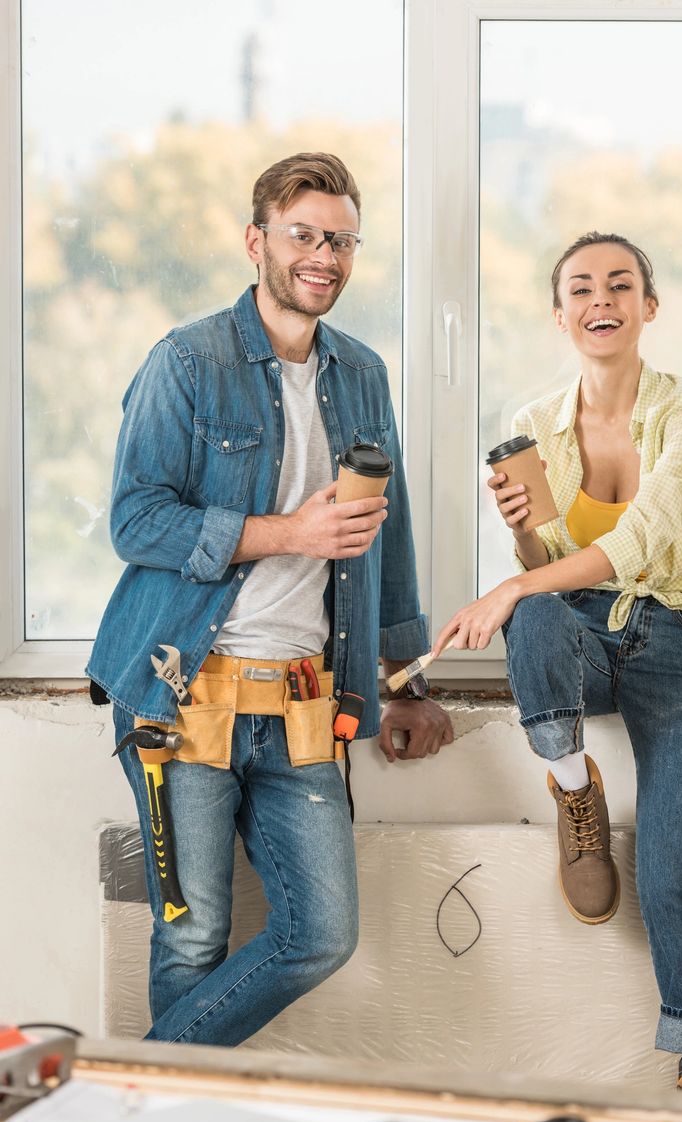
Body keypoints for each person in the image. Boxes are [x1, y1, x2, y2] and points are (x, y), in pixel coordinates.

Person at [88, 151, 453, 1047]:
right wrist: (286, 532)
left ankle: (138, 1088)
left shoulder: (362, 373)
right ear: (258, 241)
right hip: (184, 694)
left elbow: (388, 541)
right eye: (303, 235)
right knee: (193, 939)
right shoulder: (187, 360)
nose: (323, 254)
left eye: (341, 239)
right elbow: (136, 520)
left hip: (300, 704)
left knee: (321, 933)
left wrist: (400, 680)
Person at [432, 231, 682, 1095]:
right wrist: (519, 532)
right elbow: (549, 566)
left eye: (620, 284)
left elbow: (642, 539)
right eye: (581, 288)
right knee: (536, 605)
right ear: (560, 312)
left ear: (649, 306)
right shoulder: (537, 423)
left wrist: (509, 584)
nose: (600, 300)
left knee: (667, 870)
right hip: (588, 632)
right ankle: (574, 782)